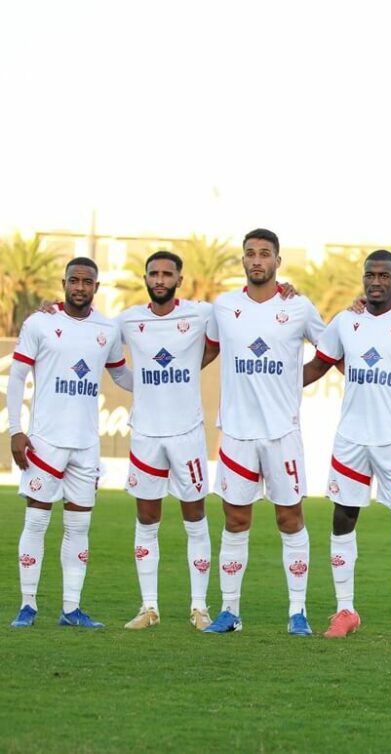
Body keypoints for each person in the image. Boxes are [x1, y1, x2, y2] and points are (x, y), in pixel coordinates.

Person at [302, 250, 391, 641]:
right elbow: (317, 366)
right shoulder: (345, 322)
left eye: (384, 276)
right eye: (370, 275)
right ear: (363, 279)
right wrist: (273, 385)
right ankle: (345, 610)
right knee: (342, 518)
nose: (376, 282)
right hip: (350, 438)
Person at [201, 228, 325, 635]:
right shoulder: (224, 307)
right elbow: (204, 350)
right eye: (251, 253)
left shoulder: (298, 307)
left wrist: (291, 384)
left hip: (282, 432)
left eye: (265, 253)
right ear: (243, 260)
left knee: (290, 518)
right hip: (237, 433)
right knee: (235, 519)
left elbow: (330, 352)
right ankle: (229, 611)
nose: (257, 260)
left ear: (277, 261)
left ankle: (298, 612)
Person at [8, 257, 132, 628]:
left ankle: (71, 609)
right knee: (36, 521)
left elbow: (121, 376)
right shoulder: (40, 322)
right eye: (74, 280)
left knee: (79, 527)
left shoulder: (107, 329)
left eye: (87, 281)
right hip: (45, 442)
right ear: (64, 283)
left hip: (85, 444)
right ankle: (27, 606)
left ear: (97, 287)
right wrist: (15, 429)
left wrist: (165, 380)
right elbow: (17, 377)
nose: (80, 287)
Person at [115, 251, 217, 630]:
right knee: (147, 519)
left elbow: (235, 327)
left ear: (179, 279)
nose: (160, 280)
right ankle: (149, 608)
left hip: (187, 433)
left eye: (167, 274)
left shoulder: (201, 314)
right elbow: (101, 348)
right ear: (145, 278)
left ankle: (199, 608)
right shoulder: (128, 320)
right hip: (145, 434)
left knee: (195, 518)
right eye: (154, 274)